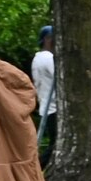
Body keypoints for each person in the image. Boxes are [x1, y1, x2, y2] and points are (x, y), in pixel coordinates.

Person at [30, 26, 55, 166]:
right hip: (54, 108)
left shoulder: (37, 58)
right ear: (47, 39)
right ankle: (35, 167)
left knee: (55, 143)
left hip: (46, 106)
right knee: (56, 145)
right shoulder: (48, 58)